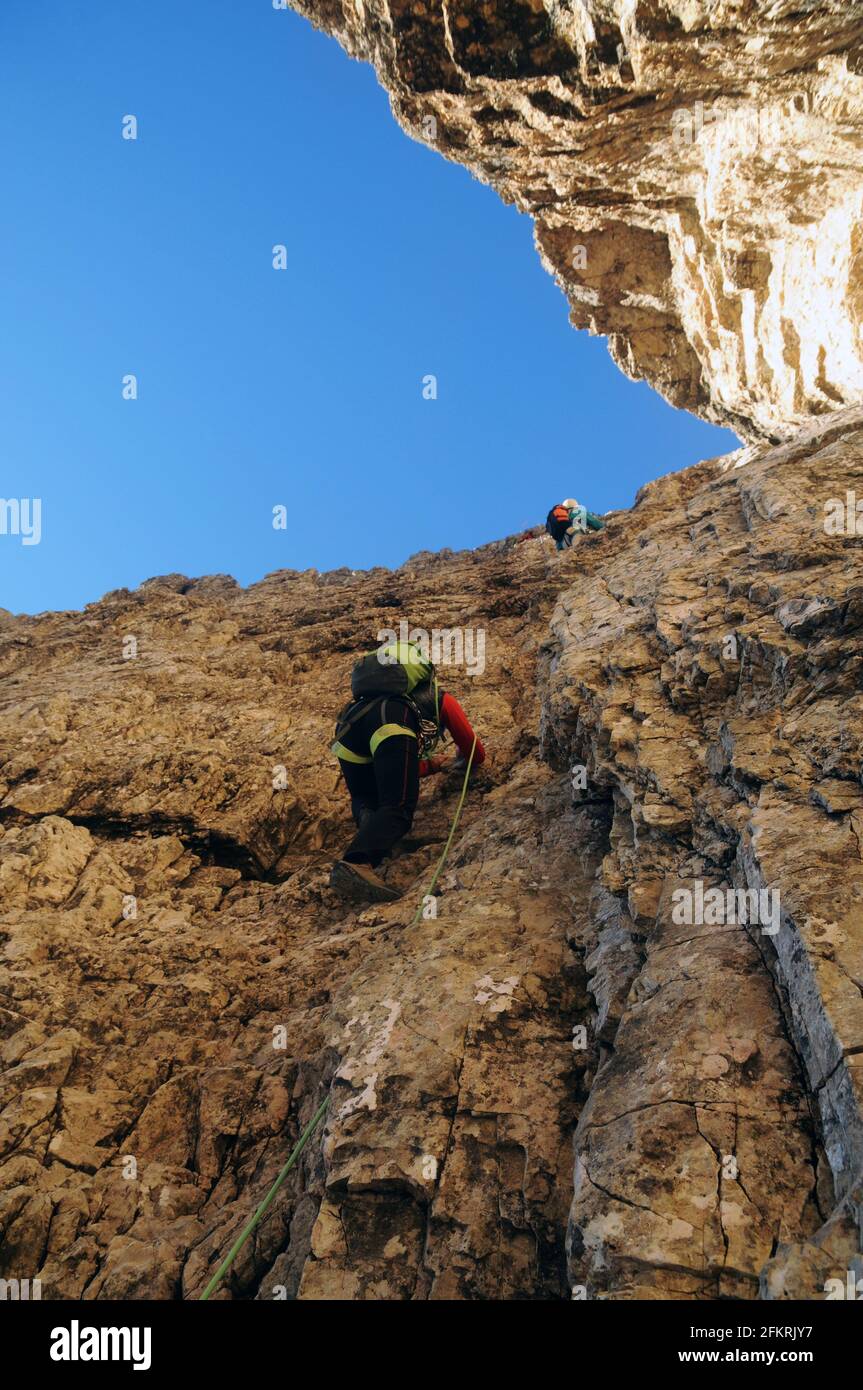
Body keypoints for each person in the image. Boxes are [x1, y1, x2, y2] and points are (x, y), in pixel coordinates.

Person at [329, 640, 485, 903]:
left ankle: (369, 829)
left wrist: (432, 765)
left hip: (350, 729)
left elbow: (390, 767)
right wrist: (461, 761)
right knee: (398, 806)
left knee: (367, 798)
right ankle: (358, 861)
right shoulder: (439, 698)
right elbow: (473, 749)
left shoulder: (366, 701)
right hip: (391, 725)